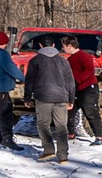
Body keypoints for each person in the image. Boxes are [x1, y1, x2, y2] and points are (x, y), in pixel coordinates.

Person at [23, 34, 76, 163]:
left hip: (43, 96)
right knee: (61, 126)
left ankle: (48, 150)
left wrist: (27, 98)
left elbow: (29, 81)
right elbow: (70, 82)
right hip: (61, 97)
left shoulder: (35, 61)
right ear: (53, 45)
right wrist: (71, 99)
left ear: (40, 46)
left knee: (43, 124)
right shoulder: (63, 61)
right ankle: (63, 156)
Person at [61, 36, 102, 146]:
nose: (62, 48)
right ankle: (70, 133)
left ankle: (99, 136)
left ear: (69, 46)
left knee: (90, 112)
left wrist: (77, 80)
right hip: (75, 89)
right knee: (69, 111)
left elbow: (89, 70)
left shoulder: (84, 56)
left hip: (88, 88)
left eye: (63, 46)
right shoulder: (70, 59)